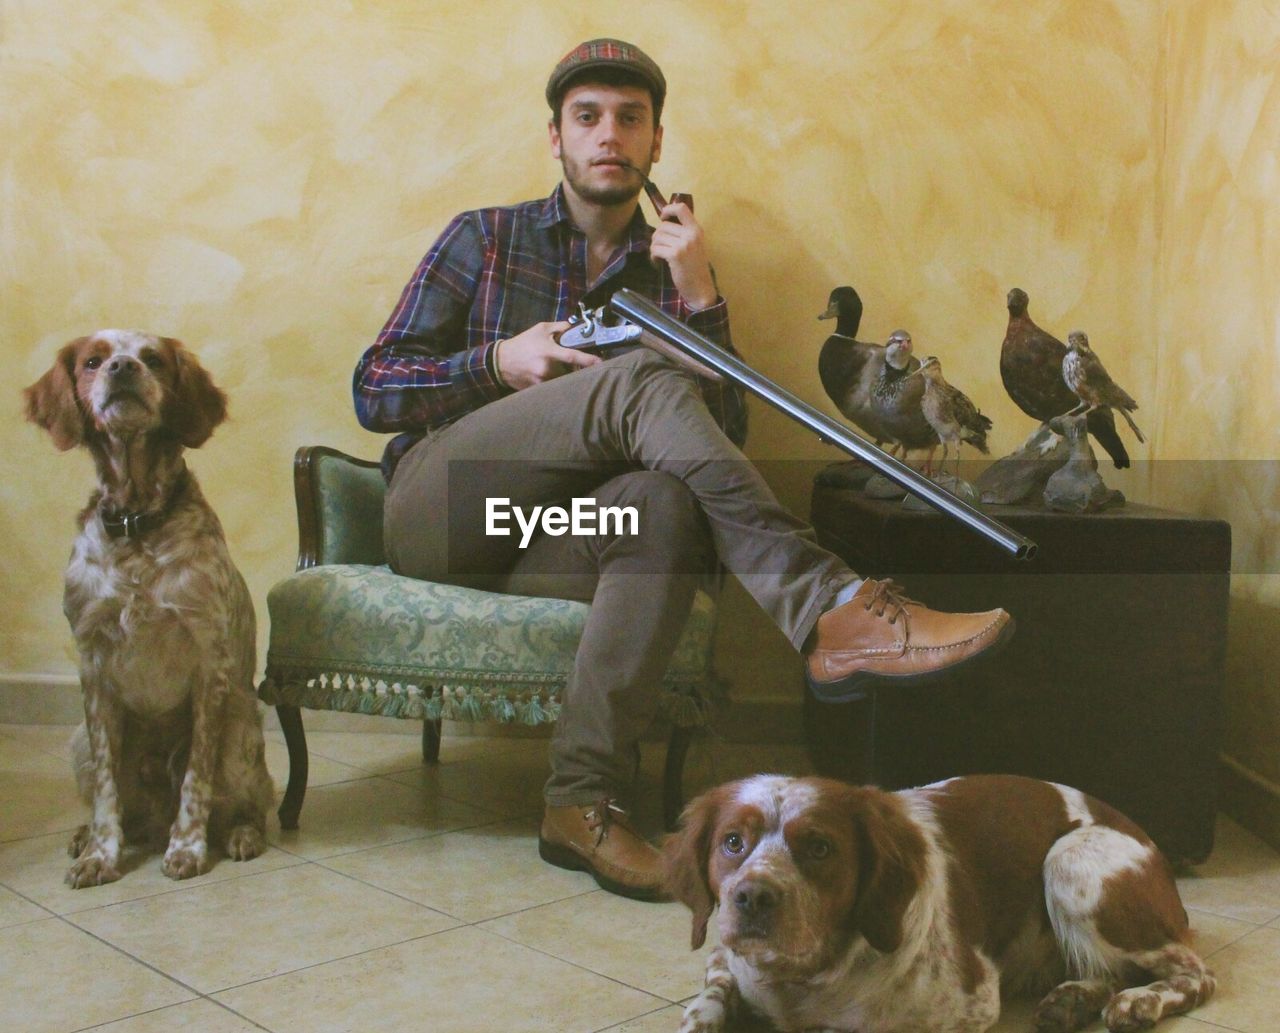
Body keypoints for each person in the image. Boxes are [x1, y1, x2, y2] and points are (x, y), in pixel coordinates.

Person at [353, 38, 1012, 901]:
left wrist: (701, 299)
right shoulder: (485, 238)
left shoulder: (673, 267)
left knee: (662, 507)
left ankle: (579, 803)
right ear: (555, 137)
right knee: (639, 375)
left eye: (631, 119)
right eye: (587, 117)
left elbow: (715, 445)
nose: (609, 135)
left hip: (548, 541)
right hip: (441, 512)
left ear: (657, 143)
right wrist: (499, 362)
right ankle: (829, 606)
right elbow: (374, 387)